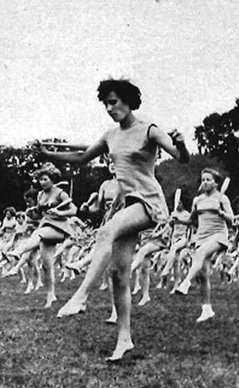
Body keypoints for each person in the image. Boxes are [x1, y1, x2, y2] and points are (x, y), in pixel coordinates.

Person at [35, 78, 190, 360]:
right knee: (118, 275)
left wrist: (181, 144)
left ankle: (81, 296)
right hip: (127, 204)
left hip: (149, 202)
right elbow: (82, 157)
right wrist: (49, 154)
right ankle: (124, 340)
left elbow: (181, 157)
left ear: (128, 101)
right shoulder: (111, 136)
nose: (109, 108)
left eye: (113, 102)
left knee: (105, 232)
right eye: (106, 103)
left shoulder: (149, 130)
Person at [3, 163, 77, 308]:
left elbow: (73, 210)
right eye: (40, 180)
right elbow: (39, 213)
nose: (42, 182)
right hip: (46, 226)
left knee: (38, 233)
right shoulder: (40, 195)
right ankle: (51, 295)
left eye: (45, 179)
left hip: (59, 228)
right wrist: (32, 212)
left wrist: (59, 212)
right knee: (46, 266)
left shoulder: (61, 193)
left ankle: (19, 252)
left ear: (52, 179)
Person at [174, 169, 233, 322]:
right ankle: (206, 309)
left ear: (216, 183)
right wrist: (178, 220)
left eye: (208, 179)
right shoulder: (197, 200)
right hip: (201, 236)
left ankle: (185, 282)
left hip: (219, 235)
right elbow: (192, 220)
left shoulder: (222, 198)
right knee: (203, 274)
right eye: (203, 179)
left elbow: (231, 221)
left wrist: (221, 213)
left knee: (199, 254)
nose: (205, 182)